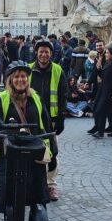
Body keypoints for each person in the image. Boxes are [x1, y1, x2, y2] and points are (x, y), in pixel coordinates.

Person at [0, 61, 52, 214]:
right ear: (10, 80)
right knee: (10, 196)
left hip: (33, 152)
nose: (20, 80)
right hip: (9, 154)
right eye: (16, 77)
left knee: (38, 195)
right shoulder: (1, 98)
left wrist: (52, 154)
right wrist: (0, 124)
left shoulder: (35, 98)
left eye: (23, 76)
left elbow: (46, 125)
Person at [28, 39, 67, 200]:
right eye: (41, 51)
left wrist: (61, 117)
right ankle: (33, 183)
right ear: (36, 53)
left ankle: (51, 185)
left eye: (46, 52)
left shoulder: (58, 70)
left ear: (51, 53)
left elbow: (63, 94)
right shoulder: (28, 69)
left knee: (52, 153)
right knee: (30, 151)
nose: (44, 54)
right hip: (31, 118)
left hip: (51, 119)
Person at [90, 45, 112, 138]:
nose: (106, 54)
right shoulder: (108, 63)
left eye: (107, 53)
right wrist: (99, 68)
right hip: (103, 90)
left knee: (101, 110)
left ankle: (100, 132)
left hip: (110, 92)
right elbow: (103, 75)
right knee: (111, 112)